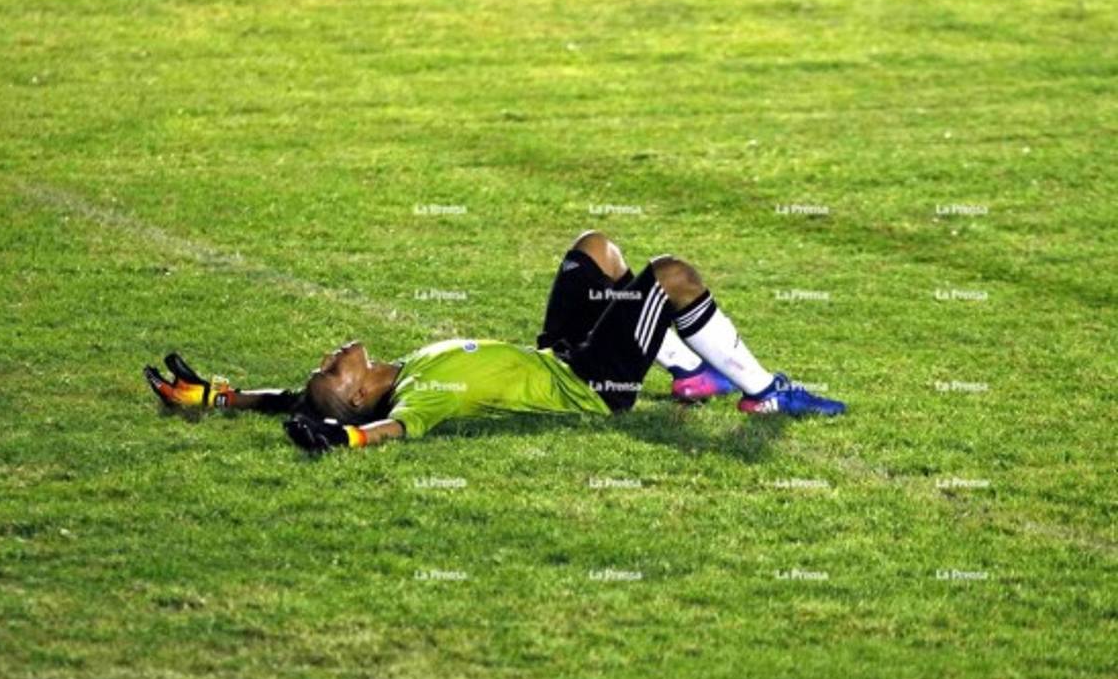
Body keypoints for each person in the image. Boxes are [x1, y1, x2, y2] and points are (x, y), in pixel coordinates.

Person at [144, 231, 845, 454]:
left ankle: (691, 371)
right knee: (669, 277)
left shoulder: (397, 371)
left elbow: (299, 399)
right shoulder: (425, 393)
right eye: (335, 369)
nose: (332, 356)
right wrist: (349, 441)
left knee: (596, 253)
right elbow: (395, 428)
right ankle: (764, 392)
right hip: (592, 387)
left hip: (554, 356)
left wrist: (222, 396)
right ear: (358, 394)